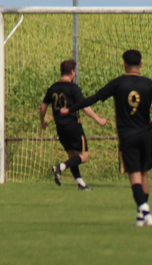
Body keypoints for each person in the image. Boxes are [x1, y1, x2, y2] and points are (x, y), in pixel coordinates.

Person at [61, 49, 152, 226]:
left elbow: (94, 98)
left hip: (128, 135)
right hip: (147, 135)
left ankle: (144, 208)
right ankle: (140, 216)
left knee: (135, 177)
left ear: (124, 64)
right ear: (141, 64)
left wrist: (70, 109)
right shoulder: (149, 84)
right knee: (144, 174)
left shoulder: (118, 83)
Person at [40, 59, 107, 190]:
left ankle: (81, 184)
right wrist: (98, 119)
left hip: (60, 127)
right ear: (72, 72)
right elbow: (85, 107)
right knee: (84, 156)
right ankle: (61, 167)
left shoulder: (52, 88)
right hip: (73, 126)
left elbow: (43, 107)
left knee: (72, 155)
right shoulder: (73, 88)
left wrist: (42, 121)